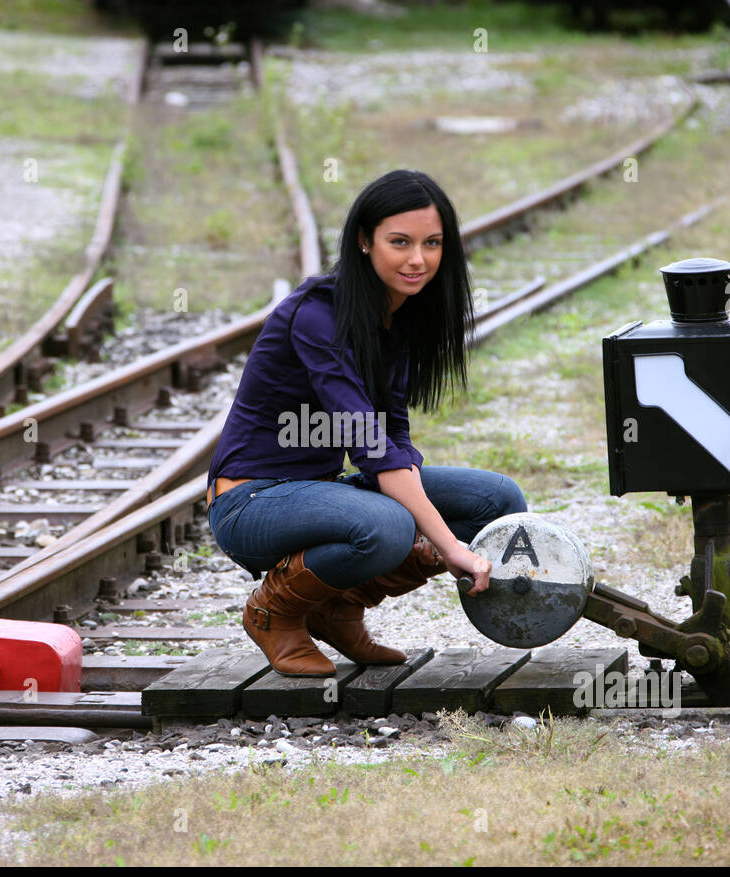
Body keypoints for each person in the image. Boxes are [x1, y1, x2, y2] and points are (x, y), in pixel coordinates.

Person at [206, 169, 527, 677]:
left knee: (496, 501)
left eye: (432, 243)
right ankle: (274, 611)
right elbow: (368, 442)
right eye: (399, 242)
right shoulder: (316, 314)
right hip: (251, 501)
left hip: (319, 493)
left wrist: (435, 520)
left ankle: (337, 605)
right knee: (389, 525)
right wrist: (449, 548)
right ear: (363, 241)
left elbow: (392, 434)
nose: (418, 259)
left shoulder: (395, 319)